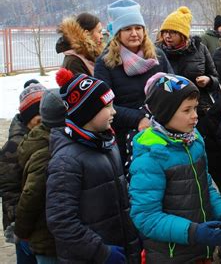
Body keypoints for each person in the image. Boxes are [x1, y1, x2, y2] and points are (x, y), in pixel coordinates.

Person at [129, 72, 221, 263]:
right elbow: (146, 218)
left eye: (195, 108)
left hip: (202, 251)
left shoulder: (194, 141)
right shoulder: (151, 158)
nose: (195, 116)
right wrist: (193, 232)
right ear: (166, 113)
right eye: (187, 110)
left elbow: (206, 184)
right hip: (171, 256)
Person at [46, 69, 141, 263]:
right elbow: (61, 221)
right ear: (86, 112)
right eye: (108, 106)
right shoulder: (66, 160)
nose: (114, 111)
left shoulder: (107, 143)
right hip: (93, 256)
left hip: (122, 247)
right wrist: (101, 252)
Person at [94, 0, 172, 166]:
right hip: (126, 137)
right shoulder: (105, 63)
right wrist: (138, 119)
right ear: (117, 33)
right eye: (127, 29)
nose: (134, 33)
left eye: (138, 28)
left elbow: (174, 90)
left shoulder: (158, 56)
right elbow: (104, 105)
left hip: (163, 130)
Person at [15, 89, 66, 263]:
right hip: (48, 241)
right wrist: (21, 232)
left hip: (53, 236)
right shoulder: (47, 152)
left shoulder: (40, 140)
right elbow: (30, 196)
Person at [0, 81, 45, 264]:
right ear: (28, 118)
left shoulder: (43, 134)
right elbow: (9, 192)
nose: (43, 118)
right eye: (38, 115)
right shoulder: (12, 148)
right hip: (22, 227)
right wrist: (20, 226)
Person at [156, 6, 219, 119]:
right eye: (165, 32)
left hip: (198, 109)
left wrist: (209, 80)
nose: (167, 36)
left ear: (183, 34)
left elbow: (215, 78)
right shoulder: (156, 52)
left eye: (173, 32)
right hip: (169, 110)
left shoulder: (200, 49)